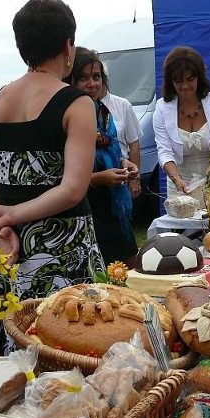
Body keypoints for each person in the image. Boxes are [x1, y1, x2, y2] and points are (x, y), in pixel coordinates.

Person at [0, 0, 105, 354]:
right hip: (65, 250)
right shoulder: (76, 103)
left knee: (18, 354)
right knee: (73, 349)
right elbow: (73, 189)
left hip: (10, 251)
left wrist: (3, 223)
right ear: (68, 46)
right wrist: (7, 217)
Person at [65, 47, 138, 268]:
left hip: (113, 207)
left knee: (130, 271)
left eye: (96, 77)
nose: (92, 84)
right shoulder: (67, 116)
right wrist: (99, 178)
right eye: (83, 78)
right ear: (71, 81)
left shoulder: (104, 113)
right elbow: (63, 174)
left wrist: (124, 163)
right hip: (86, 211)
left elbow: (112, 148)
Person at [153, 46, 210, 201]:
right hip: (180, 187)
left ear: (199, 78)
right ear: (170, 82)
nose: (185, 86)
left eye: (190, 79)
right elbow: (164, 152)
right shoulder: (161, 109)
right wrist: (177, 179)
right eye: (178, 81)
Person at [101, 87, 142, 199]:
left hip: (122, 175)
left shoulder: (122, 105)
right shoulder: (80, 108)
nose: (92, 84)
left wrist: (135, 179)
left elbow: (134, 144)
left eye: (96, 77)